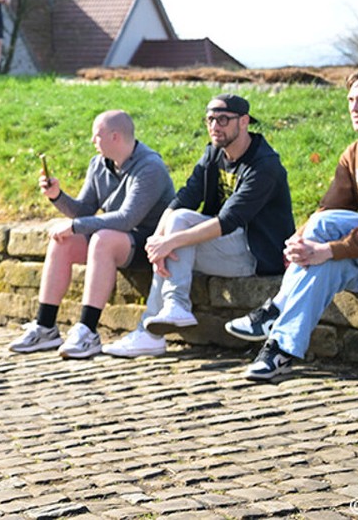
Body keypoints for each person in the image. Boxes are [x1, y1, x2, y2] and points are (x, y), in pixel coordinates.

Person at [228, 71, 358, 380]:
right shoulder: (354, 152)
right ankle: (280, 351)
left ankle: (276, 307)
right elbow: (330, 207)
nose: (353, 108)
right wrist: (300, 240)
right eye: (350, 100)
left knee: (324, 232)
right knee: (324, 266)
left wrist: (329, 247)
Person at [103, 94, 295, 358]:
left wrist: (170, 242)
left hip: (255, 254)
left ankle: (157, 325)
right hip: (224, 247)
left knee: (179, 227)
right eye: (210, 119)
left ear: (244, 122)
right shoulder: (214, 153)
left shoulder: (264, 165)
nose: (215, 126)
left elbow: (228, 221)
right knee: (176, 219)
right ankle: (166, 315)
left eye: (223, 119)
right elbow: (186, 195)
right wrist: (157, 241)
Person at [9, 111, 175, 359]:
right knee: (62, 240)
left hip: (151, 245)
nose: (92, 141)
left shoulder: (150, 167)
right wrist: (57, 196)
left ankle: (87, 331)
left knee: (101, 238)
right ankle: (45, 327)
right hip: (116, 238)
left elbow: (127, 218)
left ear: (115, 137)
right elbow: (84, 210)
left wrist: (76, 226)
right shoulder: (99, 163)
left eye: (96, 136)